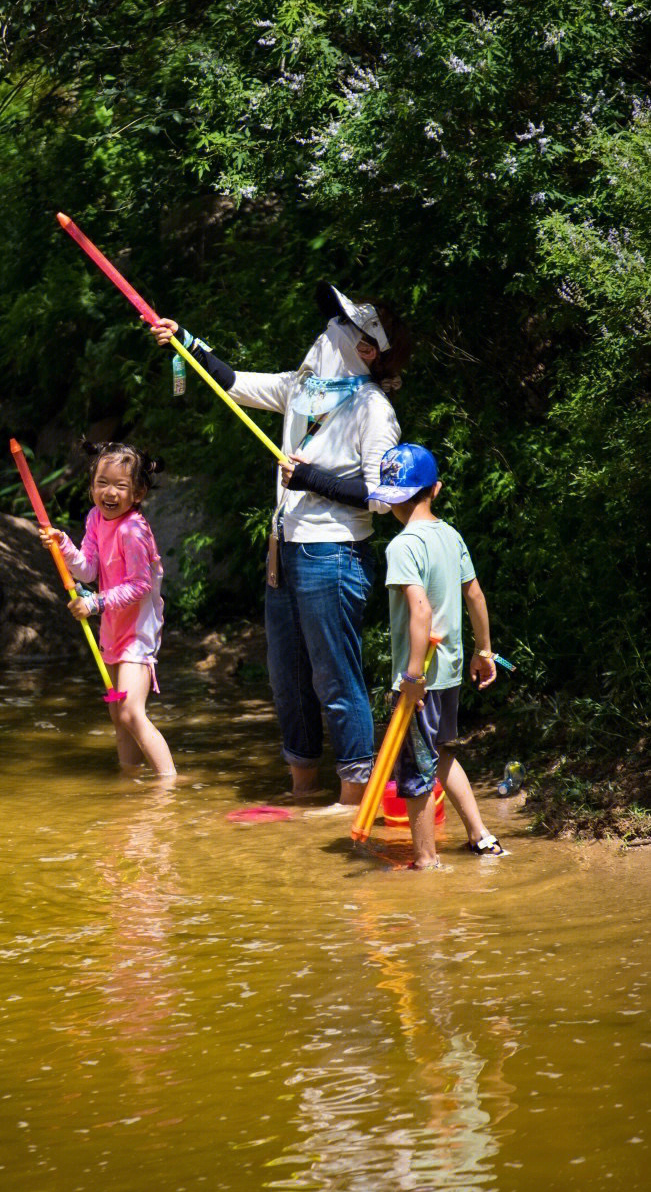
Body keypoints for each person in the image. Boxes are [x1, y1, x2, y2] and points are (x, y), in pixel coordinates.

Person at [152, 284, 411, 804]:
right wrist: (186, 342)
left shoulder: (373, 410)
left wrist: (312, 479)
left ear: (368, 350)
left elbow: (383, 498)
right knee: (288, 680)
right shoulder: (304, 388)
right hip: (284, 551)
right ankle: (300, 789)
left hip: (334, 554)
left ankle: (351, 799)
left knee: (335, 677)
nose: (326, 331)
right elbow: (232, 383)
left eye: (341, 326)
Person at [367, 442, 506, 867]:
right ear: (437, 489)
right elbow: (476, 595)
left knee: (415, 772)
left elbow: (421, 610)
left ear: (391, 500)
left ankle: (426, 861)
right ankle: (481, 838)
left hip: (421, 679)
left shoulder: (403, 545)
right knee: (441, 754)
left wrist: (410, 681)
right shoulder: (451, 535)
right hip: (447, 674)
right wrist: (485, 652)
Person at [41, 442, 176, 779]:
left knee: (131, 711)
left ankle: (169, 785)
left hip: (137, 635)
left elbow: (139, 585)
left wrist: (94, 602)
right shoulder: (94, 519)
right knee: (117, 714)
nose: (109, 492)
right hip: (112, 632)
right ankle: (129, 784)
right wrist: (64, 547)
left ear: (139, 492)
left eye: (120, 485)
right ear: (91, 486)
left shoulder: (133, 530)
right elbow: (87, 569)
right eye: (102, 483)